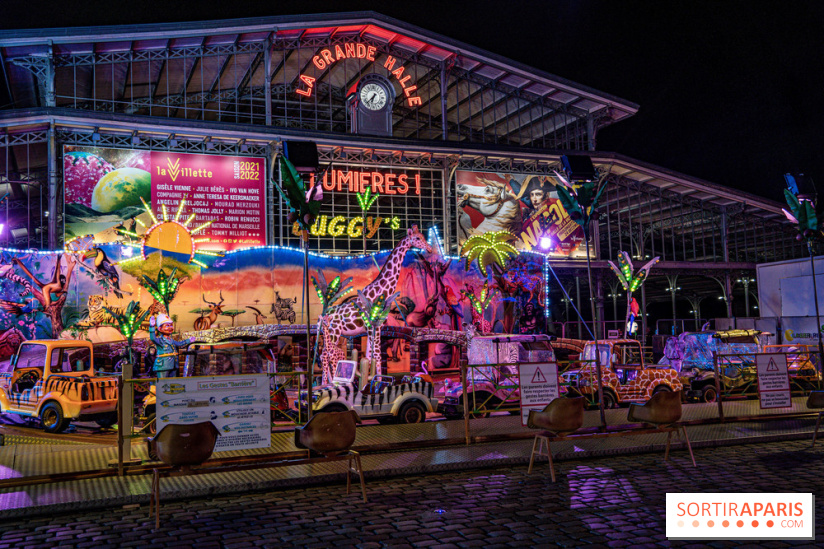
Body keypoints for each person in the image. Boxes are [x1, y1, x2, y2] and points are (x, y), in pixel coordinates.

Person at [149, 313, 194, 378]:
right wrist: (152, 327)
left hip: (173, 365)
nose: (170, 327)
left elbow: (179, 344)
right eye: (167, 326)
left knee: (172, 382)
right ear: (160, 329)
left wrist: (189, 340)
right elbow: (153, 338)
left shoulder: (171, 340)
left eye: (171, 325)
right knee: (163, 382)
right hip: (163, 366)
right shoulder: (160, 340)